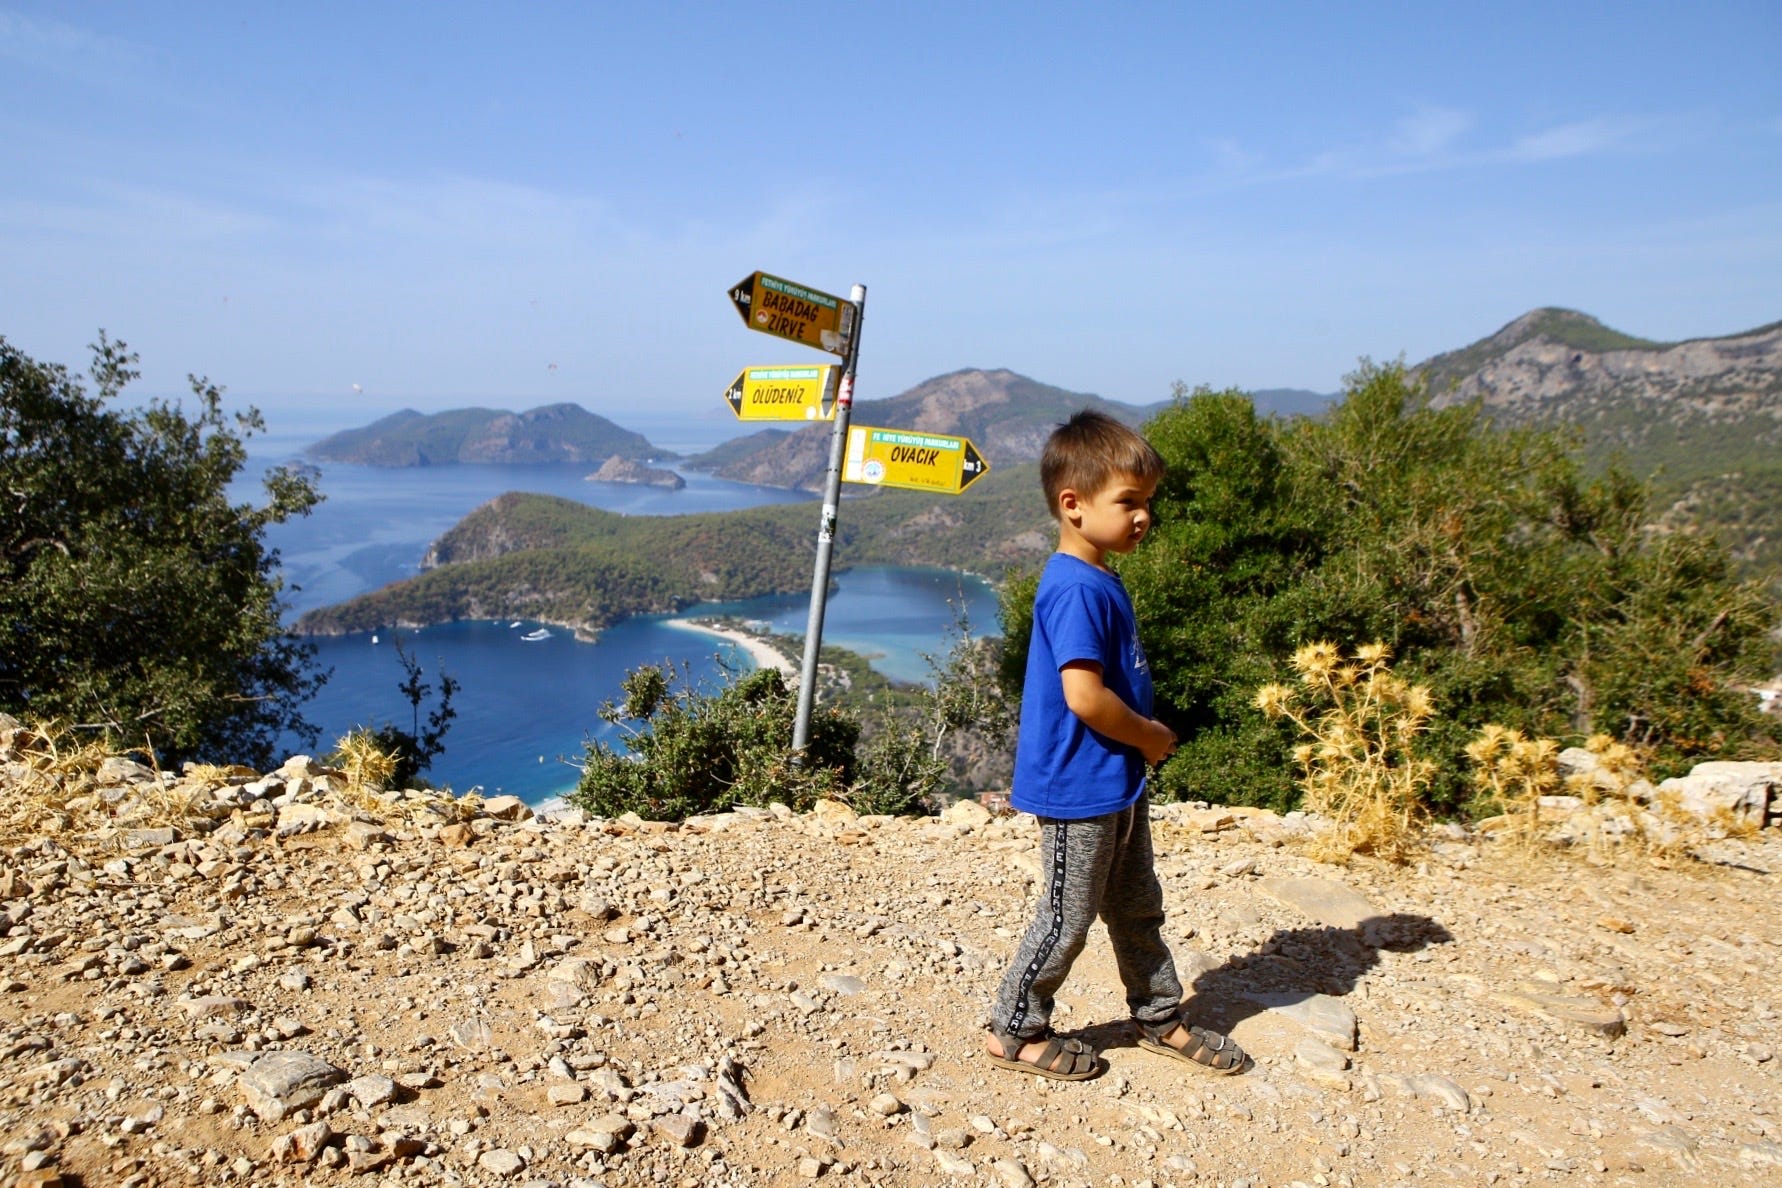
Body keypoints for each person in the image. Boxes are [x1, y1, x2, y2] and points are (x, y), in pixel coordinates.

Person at [983, 410, 1245, 1080]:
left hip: (1113, 778)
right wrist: (1153, 735)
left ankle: (1159, 1016)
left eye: (1146, 503)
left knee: (1136, 907)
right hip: (1079, 787)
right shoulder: (1073, 587)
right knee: (1066, 919)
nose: (1142, 517)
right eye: (1127, 502)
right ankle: (1017, 1029)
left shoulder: (1099, 577)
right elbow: (1084, 697)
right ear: (1073, 506)